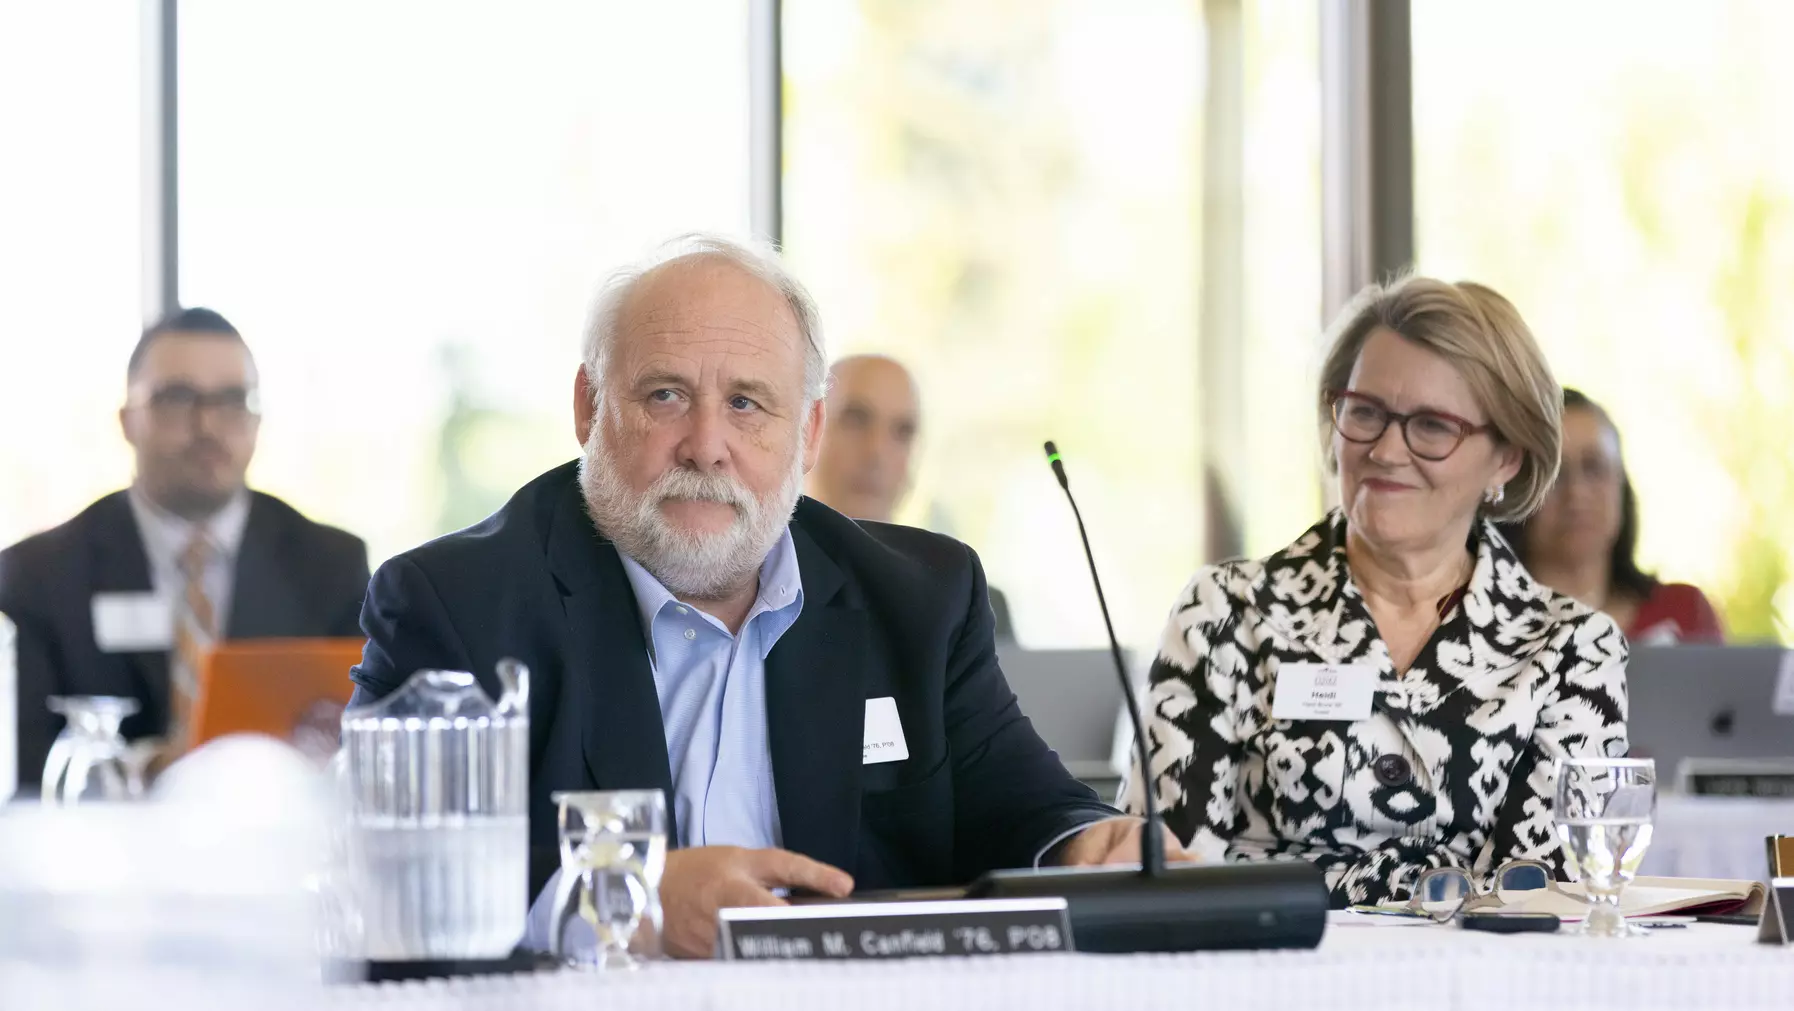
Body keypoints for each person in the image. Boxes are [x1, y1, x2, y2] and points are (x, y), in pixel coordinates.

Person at [347, 235, 1180, 959]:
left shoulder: (920, 599)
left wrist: (1087, 843)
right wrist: (628, 903)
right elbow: (388, 887)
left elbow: (1024, 804)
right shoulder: (453, 605)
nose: (707, 446)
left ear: (808, 433)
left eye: (747, 404)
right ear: (589, 407)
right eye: (665, 394)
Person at [1125, 276, 1628, 908]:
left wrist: (1287, 877)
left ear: (1506, 459)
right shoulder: (1226, 615)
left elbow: (1543, 896)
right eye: (1364, 413)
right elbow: (1164, 871)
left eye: (1431, 426)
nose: (1387, 450)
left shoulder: (1573, 651)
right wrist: (1438, 886)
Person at [0, 308, 370, 784]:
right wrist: (145, 771)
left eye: (232, 400)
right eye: (178, 398)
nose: (208, 426)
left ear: (256, 421)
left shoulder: (330, 566)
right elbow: (18, 758)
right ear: (127, 420)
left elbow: (362, 749)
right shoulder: (38, 575)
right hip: (104, 845)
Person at [805, 353, 1015, 638]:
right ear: (808, 428)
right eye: (856, 419)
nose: (876, 451)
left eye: (902, 432)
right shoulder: (753, 591)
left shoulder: (975, 610)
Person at [1497, 389, 1723, 645]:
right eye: (1555, 474)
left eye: (1593, 467)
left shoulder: (1683, 613)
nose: (1577, 493)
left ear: (1621, 486)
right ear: (1516, 493)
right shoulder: (1482, 628)